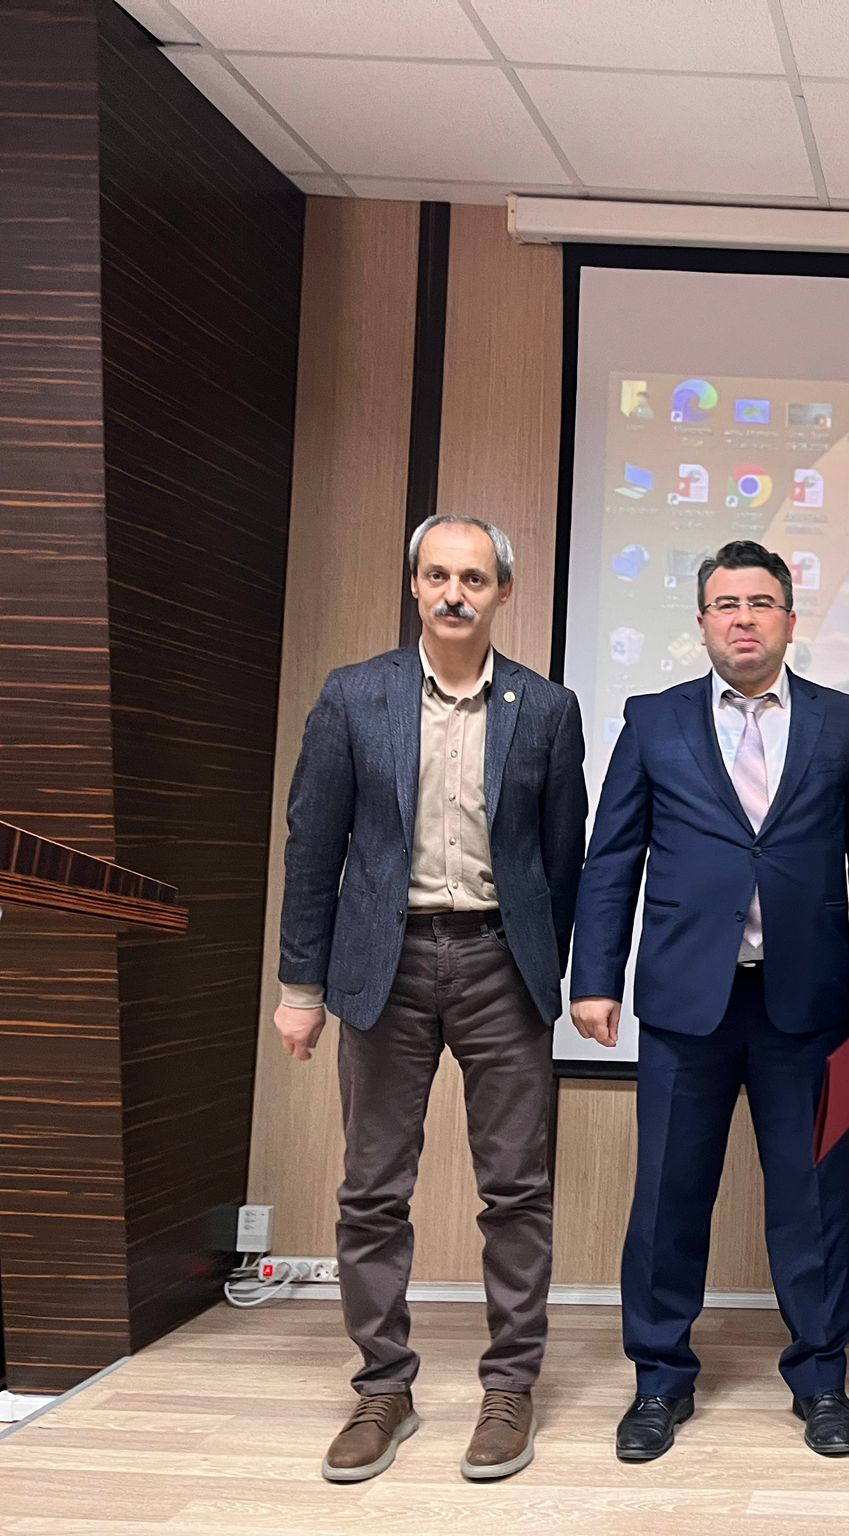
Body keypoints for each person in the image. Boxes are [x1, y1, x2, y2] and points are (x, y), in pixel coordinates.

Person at [570, 541, 849, 1463]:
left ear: (790, 621)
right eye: (726, 604)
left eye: (761, 603)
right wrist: (594, 977)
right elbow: (612, 859)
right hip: (686, 1003)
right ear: (703, 622)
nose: (744, 619)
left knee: (815, 1198)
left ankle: (821, 1377)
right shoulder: (654, 720)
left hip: (807, 1002)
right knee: (668, 1194)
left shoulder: (844, 722)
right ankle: (658, 1380)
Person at [274, 514, 587, 1484]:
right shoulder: (353, 696)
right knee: (373, 1190)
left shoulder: (546, 707)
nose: (455, 593)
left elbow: (564, 856)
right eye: (439, 575)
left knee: (517, 1189)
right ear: (414, 585)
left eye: (474, 578)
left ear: (503, 592)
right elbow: (312, 847)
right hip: (387, 966)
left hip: (501, 966)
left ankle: (509, 1388)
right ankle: (383, 1389)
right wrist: (300, 986)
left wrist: (549, 966)